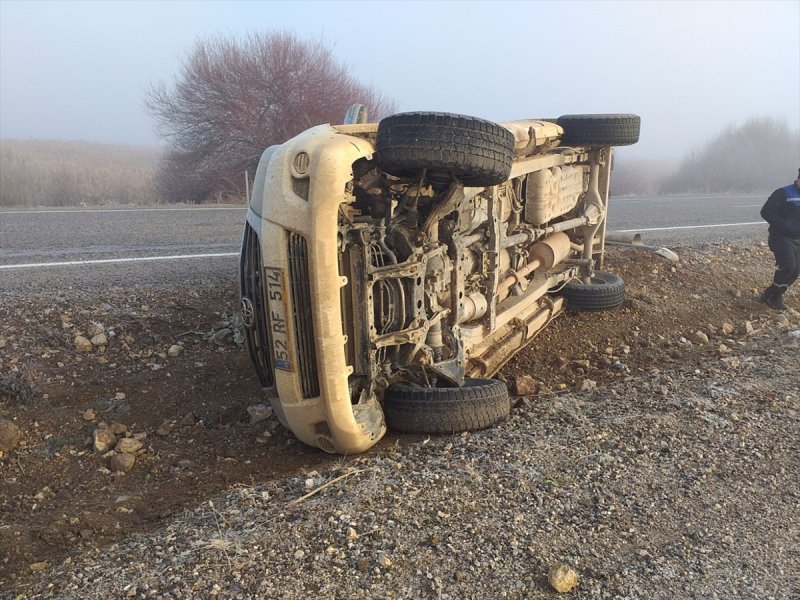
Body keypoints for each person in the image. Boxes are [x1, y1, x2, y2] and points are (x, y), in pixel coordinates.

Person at [759, 169, 800, 310]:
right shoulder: (783, 193)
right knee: (789, 265)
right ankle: (775, 297)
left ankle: (771, 293)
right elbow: (765, 212)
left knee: (795, 271)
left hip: (798, 239)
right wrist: (786, 226)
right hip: (780, 237)